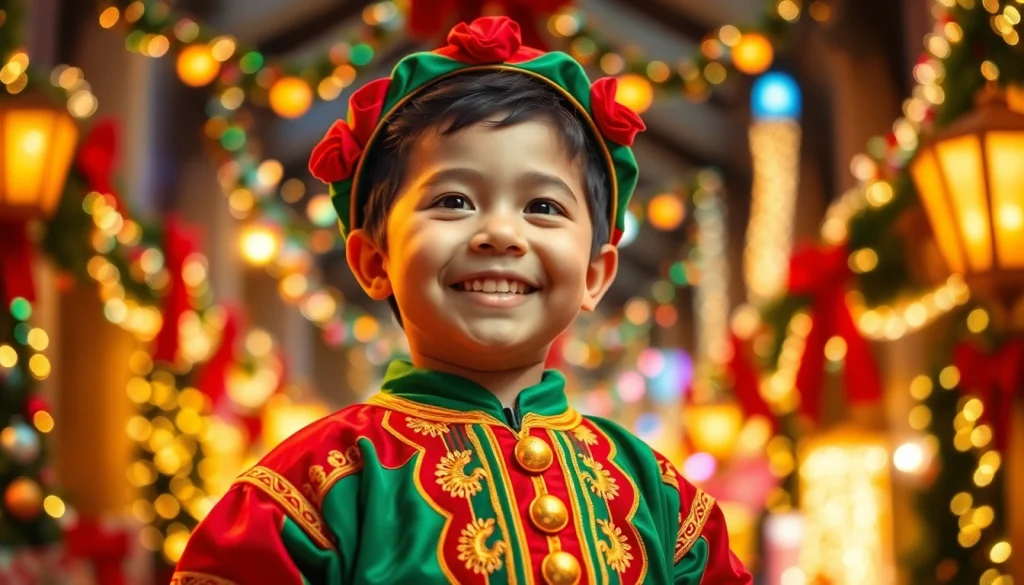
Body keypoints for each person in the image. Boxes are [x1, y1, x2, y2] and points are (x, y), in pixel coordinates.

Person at [173, 16, 751, 585]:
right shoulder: (310, 489)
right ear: (375, 262)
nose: (500, 233)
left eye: (543, 207)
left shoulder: (663, 499)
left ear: (595, 275)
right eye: (453, 201)